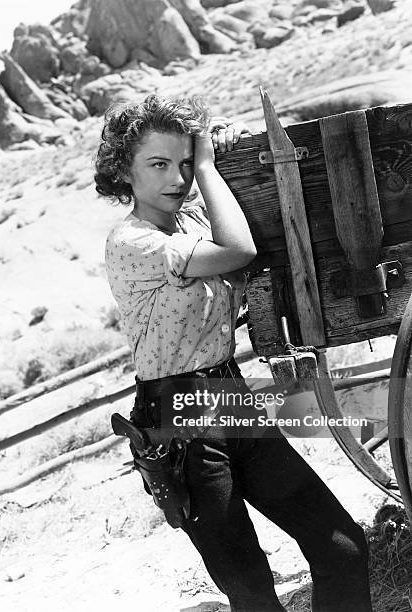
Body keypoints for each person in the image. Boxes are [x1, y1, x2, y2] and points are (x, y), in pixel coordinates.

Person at [96, 94, 373, 612]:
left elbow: (238, 216)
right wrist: (204, 164)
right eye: (158, 164)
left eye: (182, 162)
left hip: (232, 398)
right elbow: (239, 252)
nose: (176, 178)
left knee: (342, 548)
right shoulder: (131, 242)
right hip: (175, 416)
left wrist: (226, 141)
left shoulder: (192, 224)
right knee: (251, 592)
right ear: (122, 171)